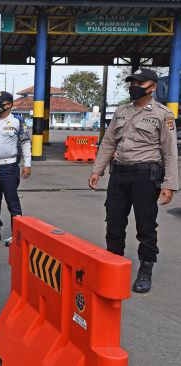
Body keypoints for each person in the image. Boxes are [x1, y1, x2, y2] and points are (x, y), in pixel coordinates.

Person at [88, 68, 178, 293]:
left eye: (140, 83)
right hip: (119, 174)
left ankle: (145, 269)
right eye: (132, 82)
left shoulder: (162, 114)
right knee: (114, 223)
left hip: (146, 176)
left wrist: (169, 184)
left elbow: (169, 151)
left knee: (146, 225)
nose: (134, 87)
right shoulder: (121, 111)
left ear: (153, 87)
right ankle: (113, 266)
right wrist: (97, 170)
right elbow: (109, 142)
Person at [0, 91, 32, 246]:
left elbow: (25, 143)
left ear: (9, 104)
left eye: (0, 103)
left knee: (12, 202)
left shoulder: (17, 121)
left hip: (9, 167)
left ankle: (18, 234)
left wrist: (27, 164)